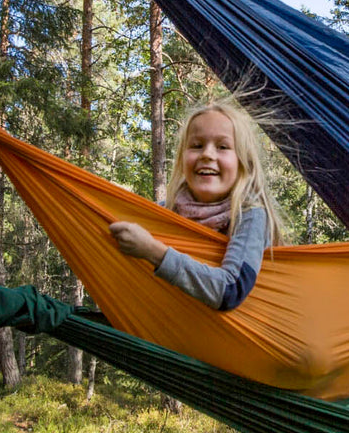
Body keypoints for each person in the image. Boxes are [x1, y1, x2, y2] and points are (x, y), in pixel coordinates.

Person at [108, 99, 284, 311]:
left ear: (242, 162)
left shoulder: (249, 214)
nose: (207, 154)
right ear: (182, 158)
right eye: (197, 145)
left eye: (222, 147)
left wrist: (152, 251)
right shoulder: (165, 211)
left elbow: (232, 289)